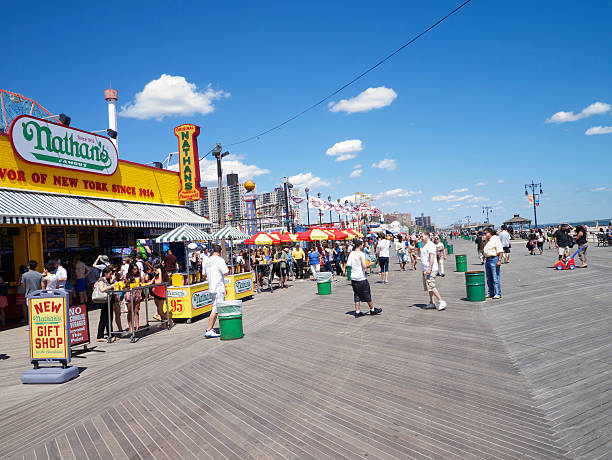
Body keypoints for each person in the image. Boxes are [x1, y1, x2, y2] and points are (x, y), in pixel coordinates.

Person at [346, 239, 382, 318]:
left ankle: (357, 311)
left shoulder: (352, 253)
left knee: (356, 294)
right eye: (362, 245)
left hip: (353, 277)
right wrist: (371, 264)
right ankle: (372, 309)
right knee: (366, 293)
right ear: (360, 246)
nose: (363, 246)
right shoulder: (361, 254)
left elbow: (348, 264)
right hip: (361, 277)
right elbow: (364, 266)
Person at [203, 244, 229, 339]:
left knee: (216, 307)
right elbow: (226, 272)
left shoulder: (207, 260)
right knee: (216, 309)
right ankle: (209, 330)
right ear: (220, 252)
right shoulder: (220, 260)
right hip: (218, 287)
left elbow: (204, 274)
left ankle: (212, 329)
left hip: (211, 287)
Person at [420, 233, 447, 310]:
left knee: (431, 285)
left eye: (422, 236)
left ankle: (441, 301)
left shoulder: (431, 245)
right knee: (429, 287)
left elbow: (432, 258)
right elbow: (425, 257)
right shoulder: (425, 245)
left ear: (427, 236)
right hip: (425, 268)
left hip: (431, 269)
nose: (421, 237)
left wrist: (429, 269)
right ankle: (432, 302)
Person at [95, 267, 119, 342]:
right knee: (107, 318)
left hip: (108, 300)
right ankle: (110, 335)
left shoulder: (107, 280)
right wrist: (111, 286)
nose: (111, 275)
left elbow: (110, 284)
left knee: (103, 318)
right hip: (104, 301)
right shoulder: (101, 280)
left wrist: (113, 279)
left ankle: (100, 336)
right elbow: (102, 289)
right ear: (105, 273)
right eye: (110, 274)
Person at [483, 227, 504, 299]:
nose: (484, 234)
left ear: (490, 233)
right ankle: (491, 292)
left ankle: (498, 293)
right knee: (489, 278)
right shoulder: (486, 240)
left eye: (486, 233)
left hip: (494, 259)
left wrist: (499, 260)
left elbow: (500, 250)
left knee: (495, 277)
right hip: (487, 259)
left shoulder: (495, 239)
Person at [122, 263, 143, 333]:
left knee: (136, 310)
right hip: (129, 293)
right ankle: (131, 327)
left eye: (136, 269)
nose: (136, 270)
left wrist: (141, 281)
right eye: (134, 269)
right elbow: (124, 285)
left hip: (137, 293)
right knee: (130, 311)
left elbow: (142, 282)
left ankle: (137, 327)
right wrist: (127, 283)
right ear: (131, 269)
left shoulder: (138, 275)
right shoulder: (127, 276)